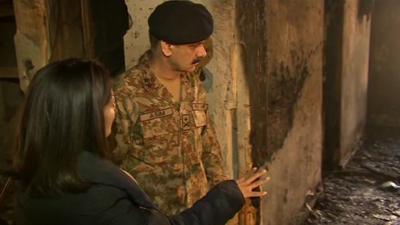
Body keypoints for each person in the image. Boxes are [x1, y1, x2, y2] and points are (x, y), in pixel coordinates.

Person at [10, 59, 269, 225]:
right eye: (110, 105)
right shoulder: (98, 195)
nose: (115, 111)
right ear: (85, 116)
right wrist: (228, 196)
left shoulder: (34, 177)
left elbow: (208, 143)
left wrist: (222, 185)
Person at [113, 0, 230, 215]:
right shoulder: (125, 93)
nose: (203, 53)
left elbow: (209, 147)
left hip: (199, 214)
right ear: (167, 47)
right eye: (194, 46)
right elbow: (112, 168)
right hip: (154, 218)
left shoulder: (193, 83)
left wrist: (222, 201)